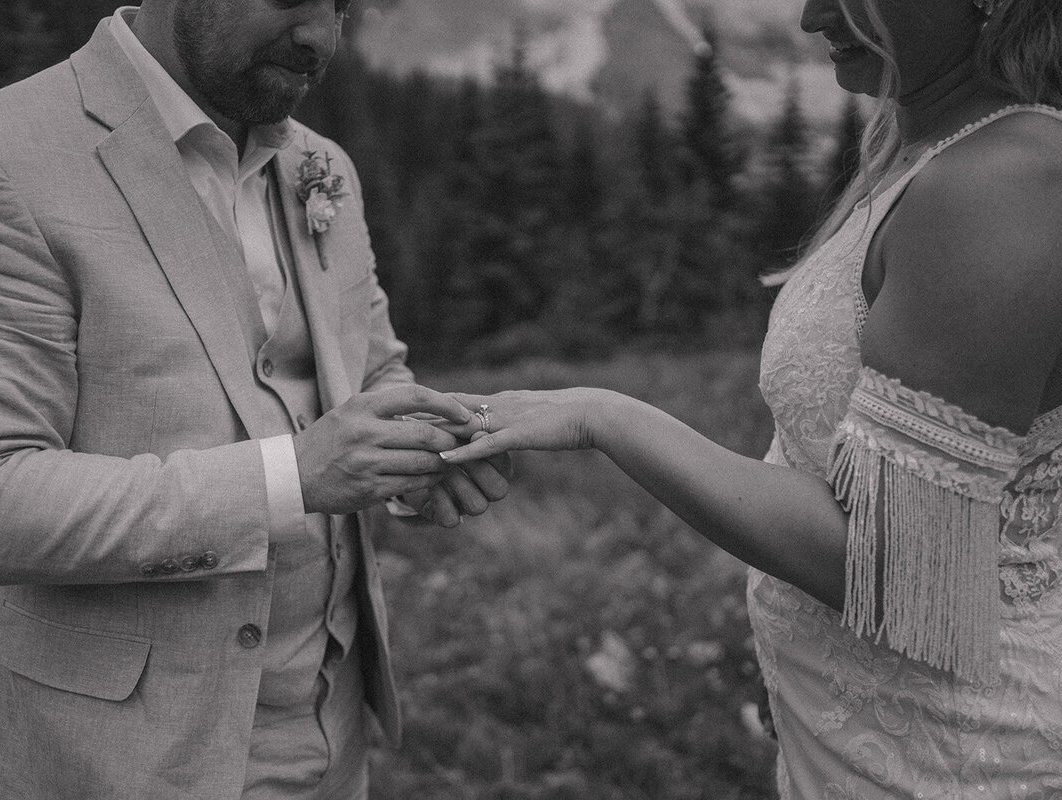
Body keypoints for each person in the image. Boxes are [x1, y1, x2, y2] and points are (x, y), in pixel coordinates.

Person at [0, 1, 509, 798]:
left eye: (340, 5)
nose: (320, 39)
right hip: (124, 760)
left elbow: (373, 374)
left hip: (335, 737)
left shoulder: (325, 166)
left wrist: (423, 448)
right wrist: (292, 477)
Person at [439, 0, 1062, 795]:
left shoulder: (1005, 182)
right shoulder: (929, 152)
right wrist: (795, 660)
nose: (810, 16)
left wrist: (606, 415)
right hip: (862, 724)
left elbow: (899, 569)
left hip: (959, 752)